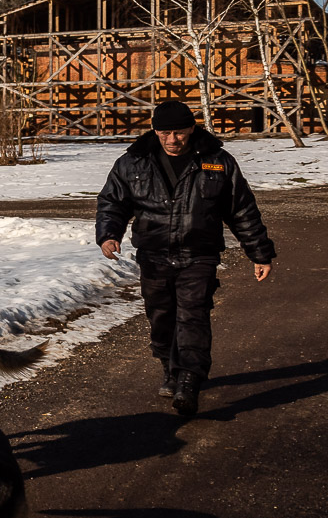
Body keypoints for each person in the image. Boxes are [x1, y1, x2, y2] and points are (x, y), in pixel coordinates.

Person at [96, 99, 275, 416]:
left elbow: (242, 210)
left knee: (193, 315)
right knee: (161, 318)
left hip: (199, 254)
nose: (172, 140)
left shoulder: (217, 162)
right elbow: (112, 203)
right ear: (155, 130)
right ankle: (169, 366)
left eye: (178, 133)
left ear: (192, 129)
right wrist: (109, 234)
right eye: (165, 133)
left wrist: (259, 252)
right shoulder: (133, 162)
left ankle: (189, 381)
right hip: (153, 255)